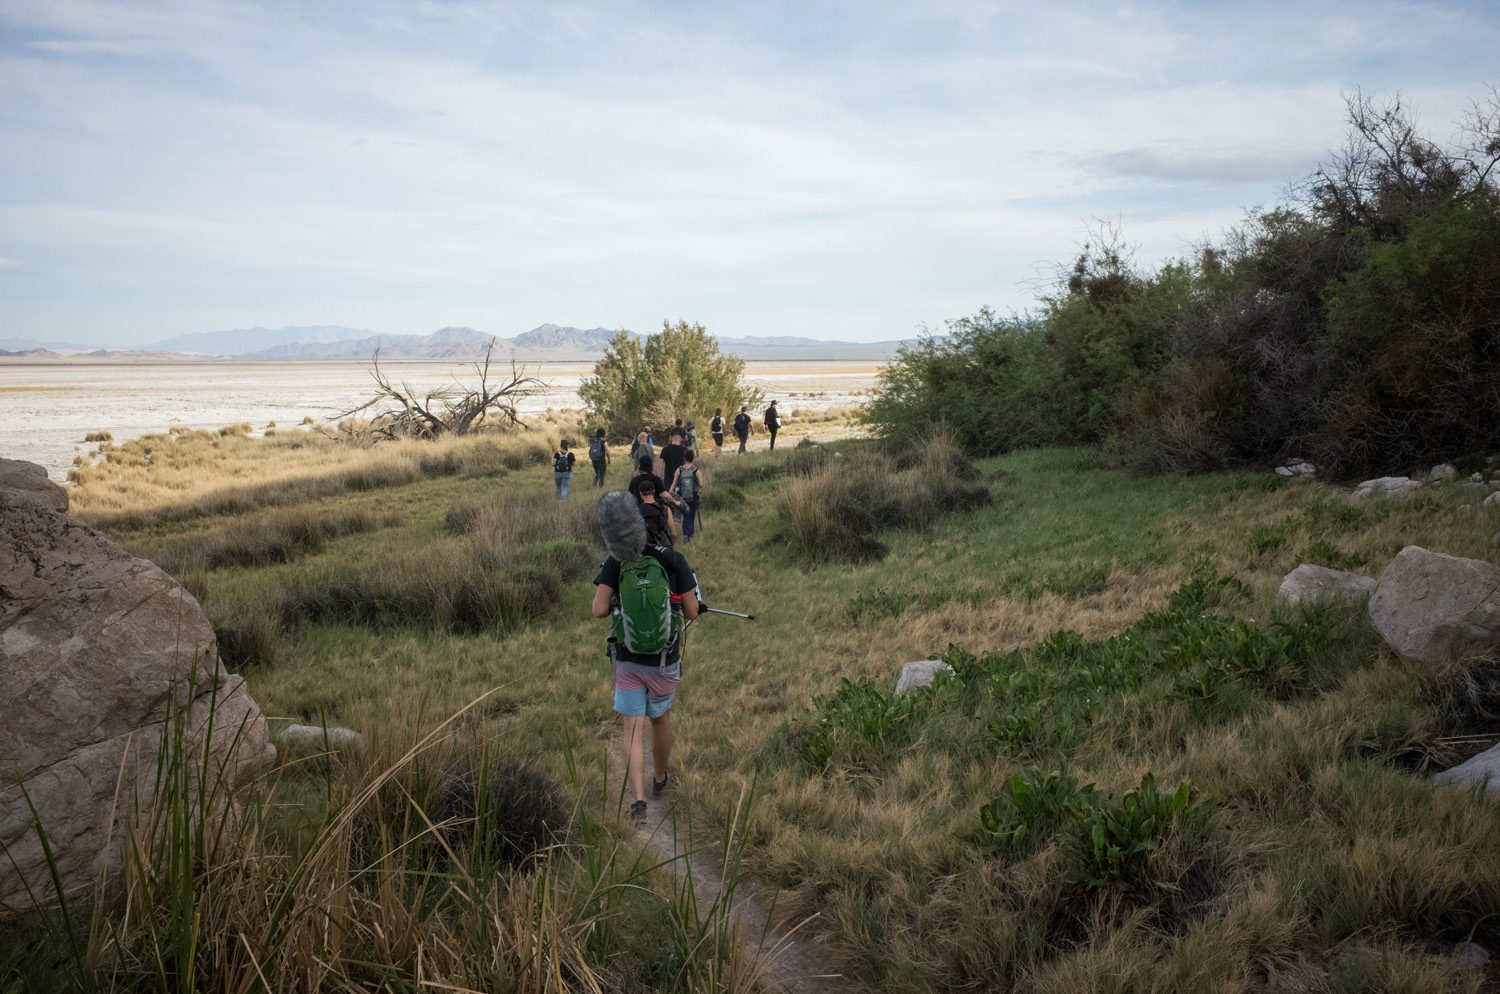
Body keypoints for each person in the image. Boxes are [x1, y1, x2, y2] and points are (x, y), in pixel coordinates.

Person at [593, 492, 699, 820]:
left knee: (632, 726)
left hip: (628, 659)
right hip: (665, 661)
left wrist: (617, 603)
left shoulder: (617, 560)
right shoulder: (675, 560)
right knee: (660, 719)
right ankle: (660, 777)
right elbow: (693, 612)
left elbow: (597, 610)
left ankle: (638, 800)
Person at [669, 448, 703, 541]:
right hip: (693, 496)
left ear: (684, 458)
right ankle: (690, 535)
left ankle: (685, 534)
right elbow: (701, 485)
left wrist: (669, 493)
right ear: (693, 458)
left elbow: (674, 483)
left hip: (681, 496)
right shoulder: (696, 470)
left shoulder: (679, 470)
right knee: (691, 516)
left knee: (685, 515)